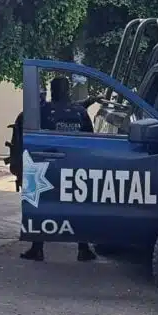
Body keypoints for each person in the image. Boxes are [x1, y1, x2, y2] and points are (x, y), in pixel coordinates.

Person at [19, 76, 97, 263]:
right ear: (68, 90)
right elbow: (91, 138)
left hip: (47, 164)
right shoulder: (79, 112)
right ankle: (83, 248)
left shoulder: (43, 111)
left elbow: (29, 131)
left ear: (52, 91)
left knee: (40, 204)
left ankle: (37, 248)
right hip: (75, 165)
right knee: (78, 205)